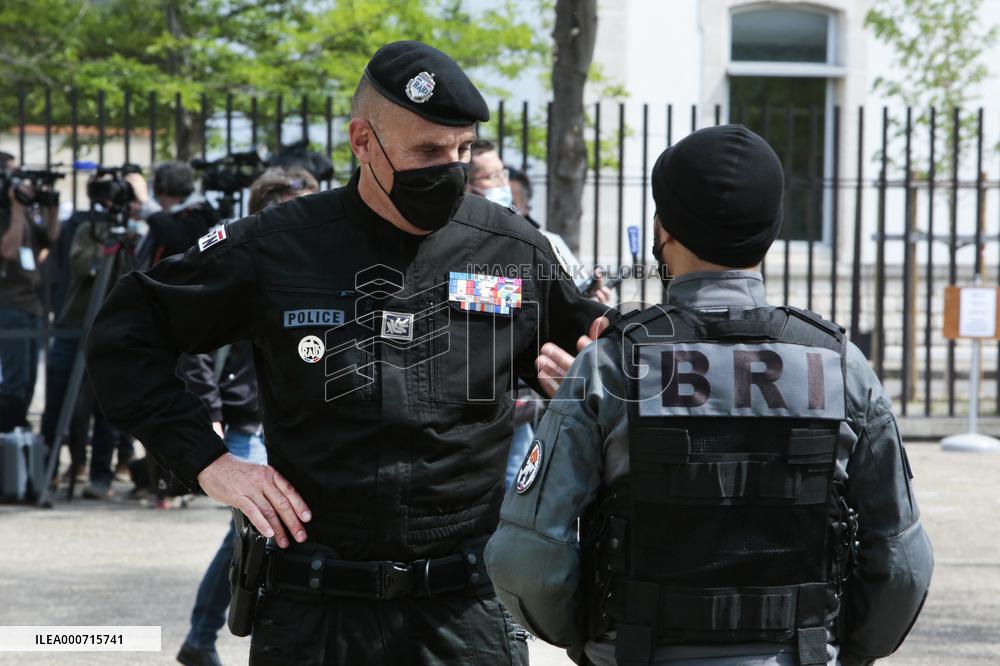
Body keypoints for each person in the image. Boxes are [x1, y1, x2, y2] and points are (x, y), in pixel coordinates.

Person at [86, 40, 609, 665]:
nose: (450, 169)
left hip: (463, 613)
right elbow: (124, 336)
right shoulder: (279, 246)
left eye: (462, 151)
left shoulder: (510, 249)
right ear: (363, 142)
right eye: (426, 152)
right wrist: (207, 461)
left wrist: (583, 388)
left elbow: (604, 364)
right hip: (315, 610)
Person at [486, 125, 934, 666]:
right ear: (772, 231)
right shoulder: (840, 365)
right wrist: (842, 650)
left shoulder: (610, 366)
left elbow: (526, 560)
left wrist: (589, 640)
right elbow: (903, 563)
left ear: (663, 230)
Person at [176, 166, 318, 666]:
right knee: (251, 528)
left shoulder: (316, 264)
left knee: (267, 529)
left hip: (288, 424)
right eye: (296, 206)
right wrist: (207, 412)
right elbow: (189, 344)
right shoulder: (236, 262)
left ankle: (206, 636)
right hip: (241, 422)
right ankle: (203, 635)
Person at [0, 152, 60, 432]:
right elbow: (9, 251)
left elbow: (50, 237)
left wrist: (51, 206)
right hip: (9, 305)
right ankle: (10, 432)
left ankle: (19, 433)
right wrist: (15, 207)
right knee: (15, 379)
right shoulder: (8, 213)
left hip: (32, 305)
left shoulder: (26, 211)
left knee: (30, 380)